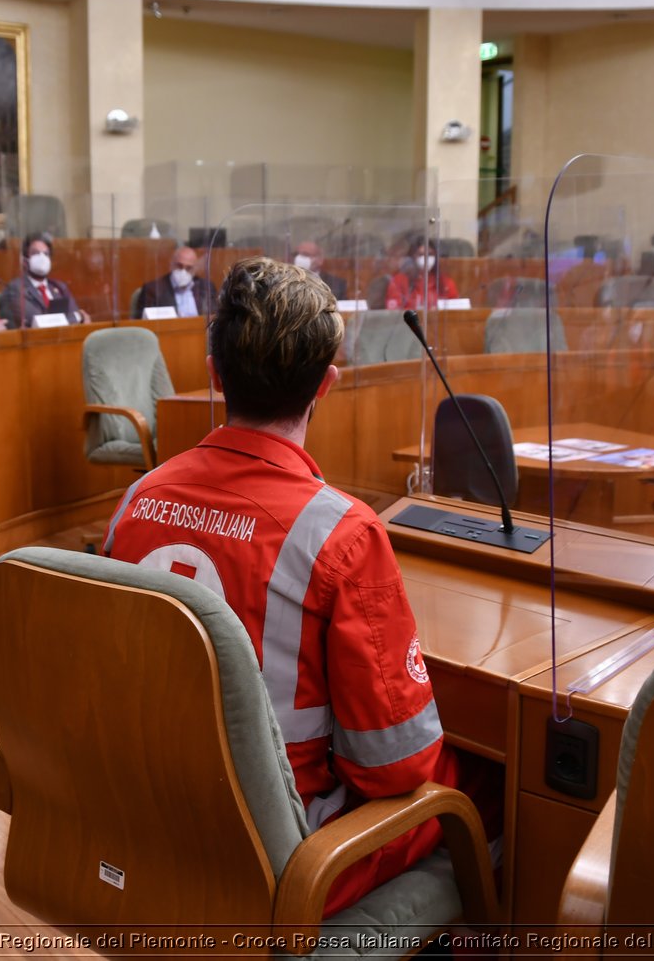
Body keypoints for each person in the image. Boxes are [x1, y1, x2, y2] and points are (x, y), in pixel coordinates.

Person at [104, 256, 496, 915]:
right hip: (286, 857)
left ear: (213, 373)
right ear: (328, 383)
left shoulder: (135, 501)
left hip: (151, 817)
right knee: (489, 785)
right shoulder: (341, 533)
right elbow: (395, 768)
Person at [0, 232, 89, 328]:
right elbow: (39, 323)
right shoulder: (15, 288)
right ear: (25, 260)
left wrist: (77, 317)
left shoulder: (60, 287)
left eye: (46, 254)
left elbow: (77, 320)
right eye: (36, 253)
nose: (42, 258)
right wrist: (78, 316)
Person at [133, 243, 213, 318]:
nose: (183, 271)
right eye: (179, 266)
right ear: (171, 264)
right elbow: (142, 325)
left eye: (189, 268)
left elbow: (214, 318)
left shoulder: (206, 288)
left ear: (195, 269)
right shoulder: (152, 290)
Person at [383, 233, 458, 311]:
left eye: (430, 254)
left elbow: (454, 312)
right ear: (412, 258)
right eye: (421, 255)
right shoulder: (399, 281)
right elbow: (394, 313)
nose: (426, 259)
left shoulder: (445, 283)